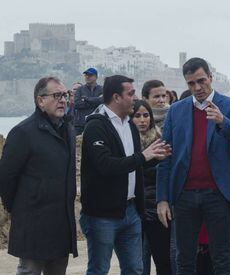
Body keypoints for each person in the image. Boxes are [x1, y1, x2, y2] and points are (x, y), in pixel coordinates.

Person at [157, 57, 230, 275]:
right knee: (184, 259)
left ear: (211, 77)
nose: (198, 88)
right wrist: (163, 198)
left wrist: (222, 121)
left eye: (201, 81)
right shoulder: (176, 110)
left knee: (222, 258)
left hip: (218, 194)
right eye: (191, 84)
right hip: (184, 195)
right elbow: (166, 156)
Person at [79, 75, 171, 275]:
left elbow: (133, 165)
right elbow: (106, 165)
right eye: (130, 94)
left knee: (134, 269)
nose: (135, 97)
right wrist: (143, 156)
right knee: (99, 269)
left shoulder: (129, 124)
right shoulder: (96, 126)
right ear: (116, 97)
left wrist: (155, 157)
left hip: (130, 211)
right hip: (101, 214)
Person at [0, 76, 78, 275]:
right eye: (57, 95)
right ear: (40, 100)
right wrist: (16, 206)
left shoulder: (68, 130)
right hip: (33, 222)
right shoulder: (23, 132)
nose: (63, 100)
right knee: (29, 271)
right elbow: (4, 176)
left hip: (61, 223)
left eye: (65, 95)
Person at [131, 100, 172, 275]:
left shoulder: (160, 141)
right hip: (135, 209)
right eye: (137, 116)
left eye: (146, 115)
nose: (142, 120)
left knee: (163, 259)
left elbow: (167, 171)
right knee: (138, 262)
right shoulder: (126, 142)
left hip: (158, 208)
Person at [74, 67, 103, 135]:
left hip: (97, 123)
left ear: (96, 77)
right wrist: (96, 101)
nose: (87, 77)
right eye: (86, 75)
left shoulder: (101, 89)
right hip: (81, 124)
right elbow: (77, 104)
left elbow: (103, 101)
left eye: (90, 75)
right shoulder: (80, 89)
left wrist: (86, 99)